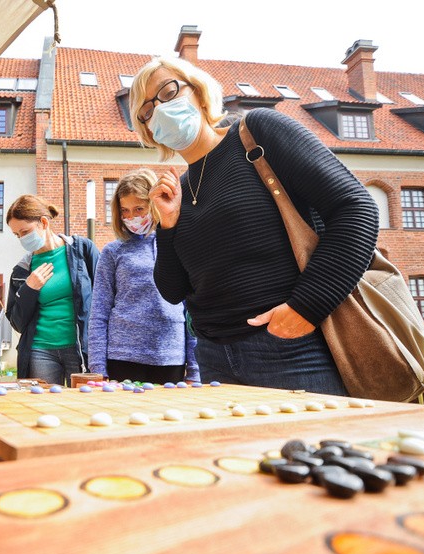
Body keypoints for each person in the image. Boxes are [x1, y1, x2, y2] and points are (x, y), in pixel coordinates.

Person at [130, 57, 379, 395]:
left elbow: (356, 209)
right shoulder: (179, 190)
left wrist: (306, 307)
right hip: (215, 359)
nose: (159, 109)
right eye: (147, 110)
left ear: (199, 92)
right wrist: (169, 225)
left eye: (168, 92)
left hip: (295, 349)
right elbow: (173, 290)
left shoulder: (257, 133)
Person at [88, 168, 199, 383]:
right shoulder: (113, 252)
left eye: (139, 208)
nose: (131, 217)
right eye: (124, 211)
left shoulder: (177, 245)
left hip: (170, 357)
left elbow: (190, 310)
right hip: (123, 357)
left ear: (154, 204)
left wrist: (194, 368)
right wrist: (98, 368)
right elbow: (99, 313)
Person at [5, 195, 100, 385]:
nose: (22, 239)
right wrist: (28, 289)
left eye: (25, 231)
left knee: (82, 407)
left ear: (43, 222)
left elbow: (103, 297)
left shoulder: (83, 250)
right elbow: (17, 322)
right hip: (41, 350)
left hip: (81, 347)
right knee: (45, 408)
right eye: (17, 235)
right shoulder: (21, 270)